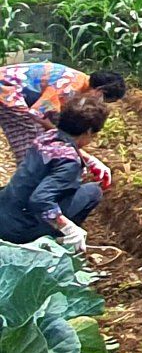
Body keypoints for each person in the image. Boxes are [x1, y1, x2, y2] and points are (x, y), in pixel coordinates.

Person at [0, 90, 108, 253]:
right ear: (88, 131)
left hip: (5, 214)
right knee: (93, 191)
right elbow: (40, 200)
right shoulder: (69, 162)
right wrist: (69, 227)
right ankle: (60, 239)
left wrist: (90, 161)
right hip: (19, 230)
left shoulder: (46, 137)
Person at [0, 59, 124, 171]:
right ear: (99, 91)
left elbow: (53, 120)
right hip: (5, 90)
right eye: (104, 100)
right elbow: (37, 115)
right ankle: (25, 184)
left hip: (10, 89)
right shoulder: (69, 88)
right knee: (31, 136)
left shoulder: (79, 80)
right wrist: (84, 155)